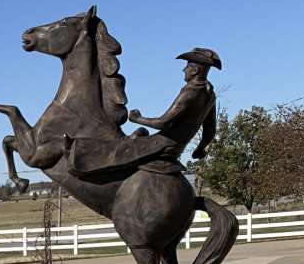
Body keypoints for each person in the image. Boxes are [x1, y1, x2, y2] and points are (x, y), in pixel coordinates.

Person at [62, 48, 222, 178]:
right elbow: (210, 130)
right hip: (177, 146)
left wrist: (137, 118)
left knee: (119, 150)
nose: (183, 70)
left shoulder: (190, 92)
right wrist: (200, 148)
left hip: (164, 144)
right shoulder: (209, 94)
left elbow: (163, 123)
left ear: (194, 70)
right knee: (140, 133)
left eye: (186, 67)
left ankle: (79, 157)